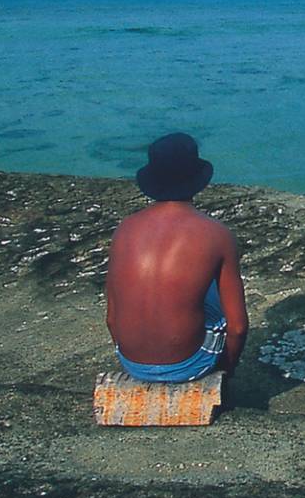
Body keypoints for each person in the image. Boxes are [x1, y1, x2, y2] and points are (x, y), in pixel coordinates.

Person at [104, 133, 247, 383]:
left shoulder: (124, 230)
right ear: (196, 179)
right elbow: (237, 327)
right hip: (190, 364)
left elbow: (112, 318)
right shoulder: (216, 233)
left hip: (131, 362)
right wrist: (228, 369)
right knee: (214, 290)